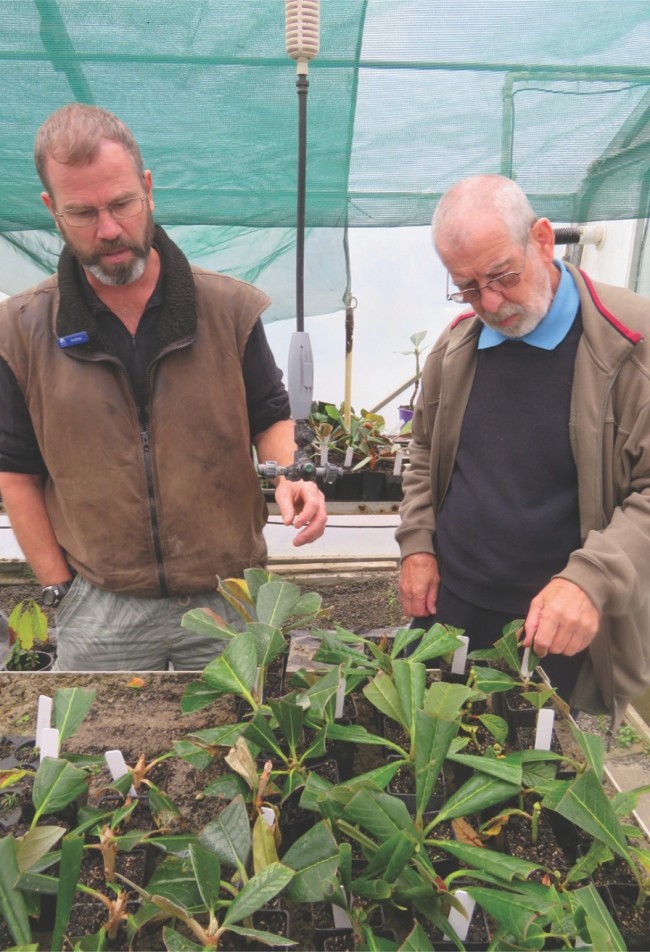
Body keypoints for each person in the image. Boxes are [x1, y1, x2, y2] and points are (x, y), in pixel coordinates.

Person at [0, 103, 327, 671]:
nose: (108, 230)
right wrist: (60, 588)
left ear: (148, 188)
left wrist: (291, 477)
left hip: (231, 598)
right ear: (52, 209)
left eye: (122, 203)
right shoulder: (22, 331)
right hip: (102, 610)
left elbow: (270, 415)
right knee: (97, 755)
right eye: (82, 212)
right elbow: (17, 473)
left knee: (251, 750)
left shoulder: (228, 309)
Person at [397, 173, 650, 728]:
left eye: (502, 276)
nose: (490, 301)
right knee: (438, 763)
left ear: (541, 238)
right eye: (466, 286)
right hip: (452, 612)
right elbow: (422, 449)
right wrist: (417, 542)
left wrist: (591, 580)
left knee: (536, 790)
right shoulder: (458, 345)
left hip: (561, 632)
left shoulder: (629, 342)